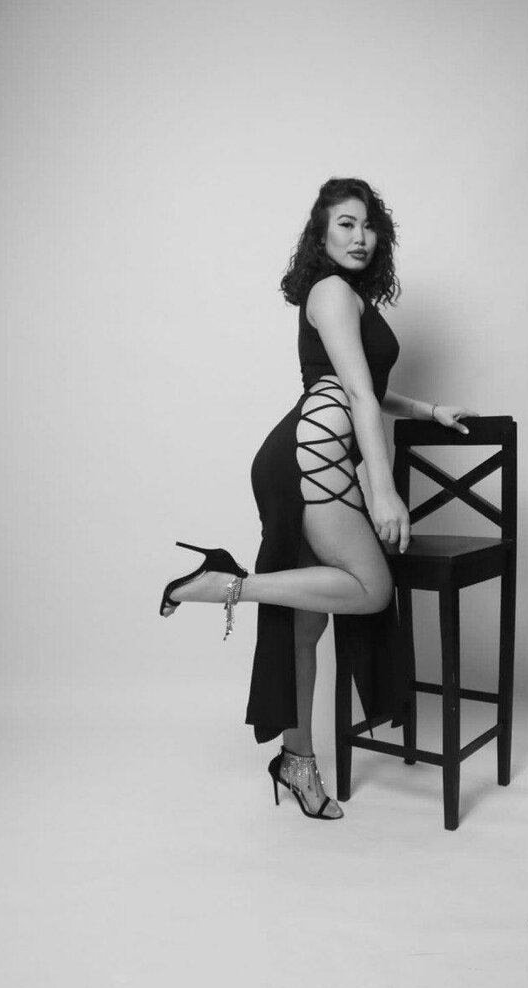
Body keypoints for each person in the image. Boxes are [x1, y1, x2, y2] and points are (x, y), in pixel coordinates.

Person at [159, 177, 479, 821]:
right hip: (315, 457)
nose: (360, 237)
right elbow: (355, 395)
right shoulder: (331, 291)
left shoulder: (348, 296)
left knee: (306, 625)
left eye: (368, 225)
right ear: (321, 236)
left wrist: (427, 410)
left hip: (307, 453)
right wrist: (383, 491)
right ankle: (228, 584)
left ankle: (297, 763)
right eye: (345, 225)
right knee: (372, 589)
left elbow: (366, 385)